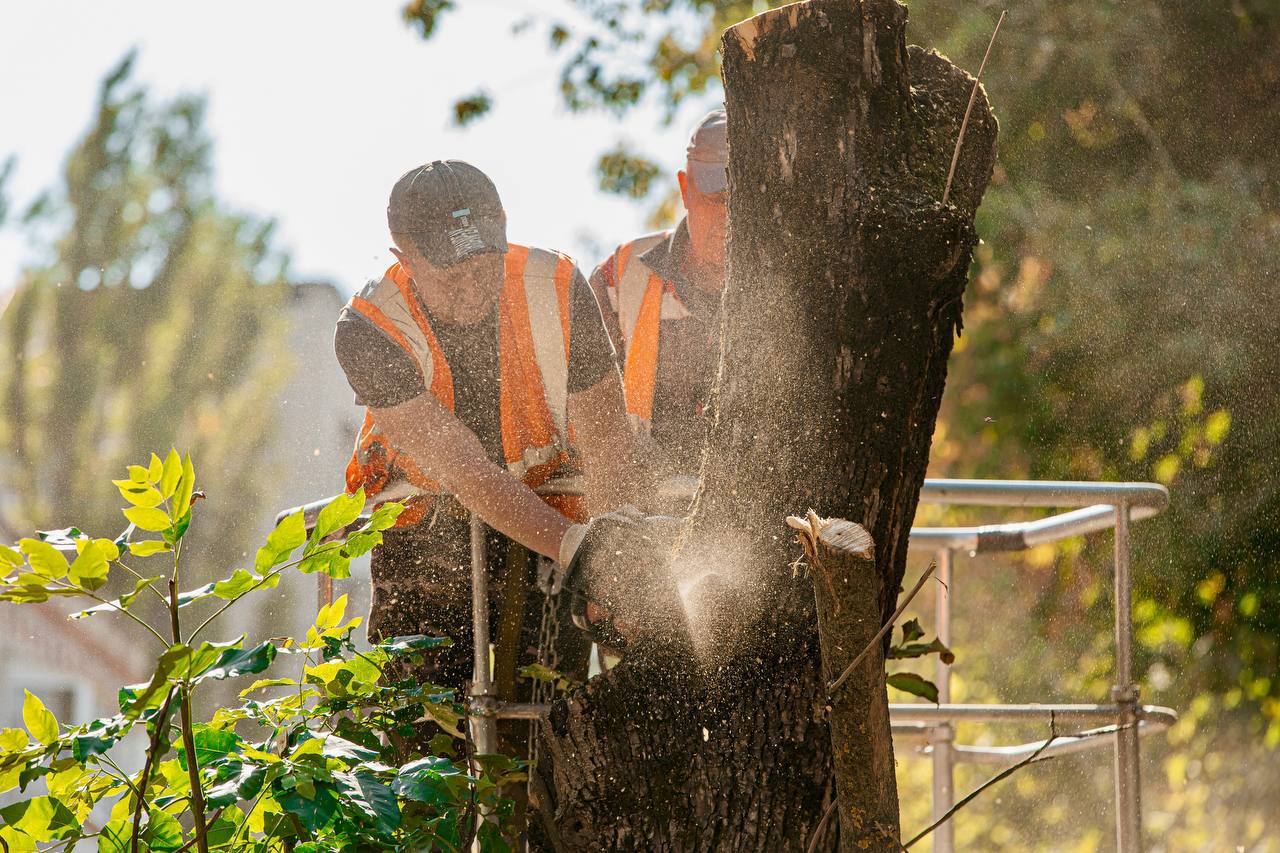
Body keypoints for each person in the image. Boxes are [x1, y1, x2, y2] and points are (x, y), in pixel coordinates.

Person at [333, 161, 638, 733]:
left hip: (550, 518)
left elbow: (607, 442)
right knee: (419, 735)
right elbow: (462, 467)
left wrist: (614, 553)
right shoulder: (368, 329)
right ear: (404, 257)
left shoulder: (557, 286)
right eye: (451, 273)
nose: (473, 286)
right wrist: (579, 548)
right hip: (425, 540)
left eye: (485, 265)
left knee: (548, 729)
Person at [589, 108, 728, 513]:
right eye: (715, 200)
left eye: (743, 202)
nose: (727, 217)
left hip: (753, 511)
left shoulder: (788, 284)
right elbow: (580, 410)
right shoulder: (622, 277)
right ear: (685, 190)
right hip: (637, 509)